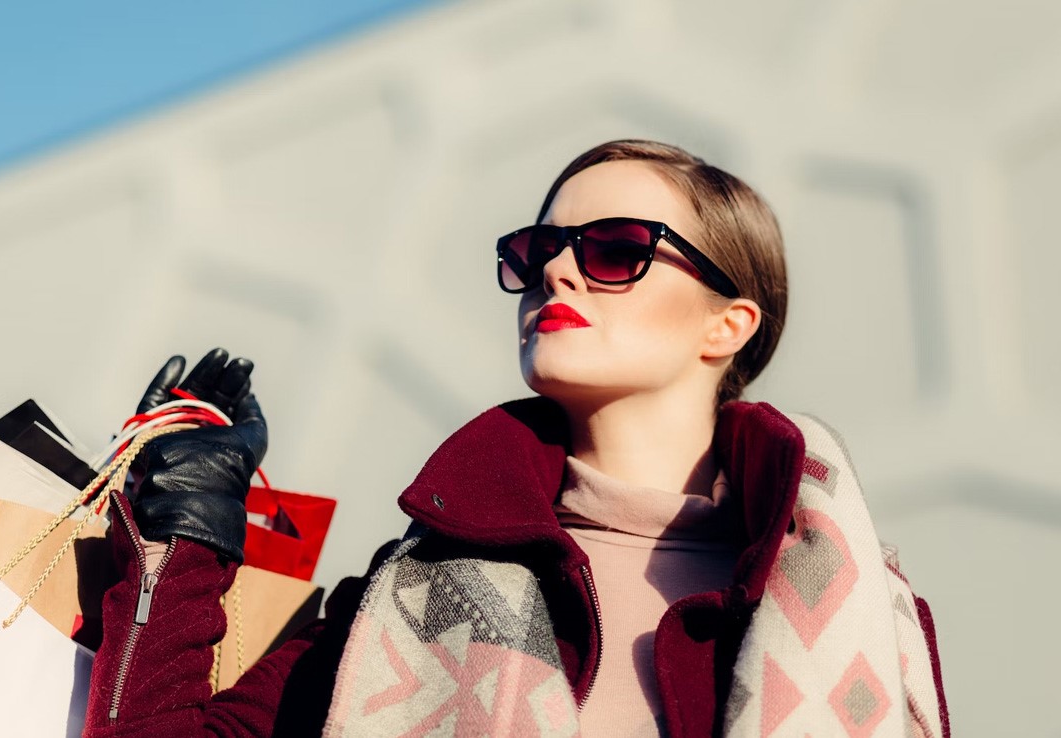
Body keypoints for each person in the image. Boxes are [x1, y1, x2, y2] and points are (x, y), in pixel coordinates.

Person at [82, 141, 948, 737]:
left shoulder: (853, 606)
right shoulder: (410, 591)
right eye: (539, 251)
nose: (556, 272)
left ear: (727, 325)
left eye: (616, 250)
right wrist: (188, 524)